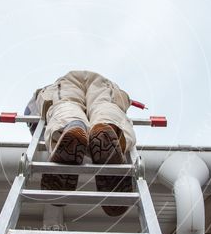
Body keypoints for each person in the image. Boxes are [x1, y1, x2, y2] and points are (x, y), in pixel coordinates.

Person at [25, 71, 137, 216]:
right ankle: (110, 131)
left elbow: (30, 114)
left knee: (65, 105)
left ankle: (70, 127)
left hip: (66, 82)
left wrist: (39, 133)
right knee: (106, 107)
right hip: (102, 83)